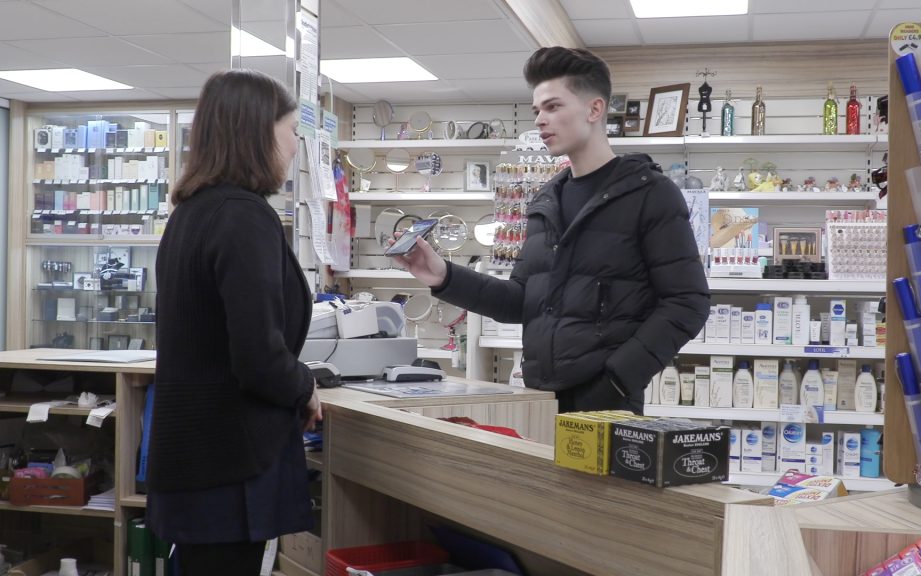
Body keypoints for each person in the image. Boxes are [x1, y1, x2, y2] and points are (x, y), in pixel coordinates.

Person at [393, 47, 710, 414]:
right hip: (540, 395)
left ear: (594, 109)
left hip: (607, 401)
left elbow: (688, 302)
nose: (540, 120)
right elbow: (520, 301)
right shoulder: (546, 201)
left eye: (553, 107)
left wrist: (618, 378)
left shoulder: (650, 194)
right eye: (536, 110)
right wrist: (443, 276)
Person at [145, 69, 320, 575]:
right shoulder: (243, 216)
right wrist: (304, 385)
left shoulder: (192, 212)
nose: (293, 149)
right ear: (259, 132)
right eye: (291, 133)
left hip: (195, 458)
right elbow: (257, 354)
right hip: (229, 461)